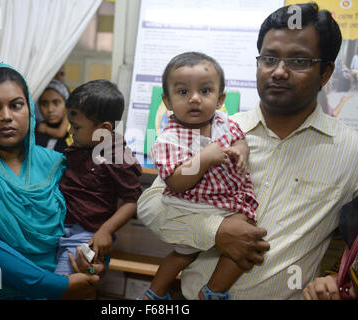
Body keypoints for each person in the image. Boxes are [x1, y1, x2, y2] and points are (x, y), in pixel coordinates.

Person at [137, 3, 358, 299]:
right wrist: (215, 230)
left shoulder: (350, 152)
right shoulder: (211, 132)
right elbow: (150, 206)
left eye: (299, 61)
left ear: (325, 73)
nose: (279, 72)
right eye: (269, 59)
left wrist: (339, 279)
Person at [0, 63, 101, 299]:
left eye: (16, 105)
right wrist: (59, 286)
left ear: (30, 111)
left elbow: (88, 222)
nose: (6, 116)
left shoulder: (58, 164)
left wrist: (91, 261)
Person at [141, 52, 258, 300]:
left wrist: (241, 151)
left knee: (246, 241)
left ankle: (212, 292)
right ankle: (156, 292)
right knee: (183, 254)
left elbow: (240, 140)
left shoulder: (225, 123)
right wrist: (204, 158)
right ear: (168, 101)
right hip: (192, 205)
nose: (194, 98)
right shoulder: (168, 139)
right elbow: (175, 181)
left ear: (219, 99)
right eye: (183, 92)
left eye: (205, 91)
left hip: (229, 200)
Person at [54, 79, 143, 276]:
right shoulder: (81, 146)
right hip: (60, 230)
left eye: (76, 127)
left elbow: (132, 201)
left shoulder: (117, 155)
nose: (70, 132)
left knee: (65, 287)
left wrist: (106, 231)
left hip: (87, 238)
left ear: (103, 129)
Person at [35, 79, 73, 153]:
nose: (50, 109)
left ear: (66, 104)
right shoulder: (34, 131)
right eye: (44, 103)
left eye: (56, 103)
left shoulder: (74, 131)